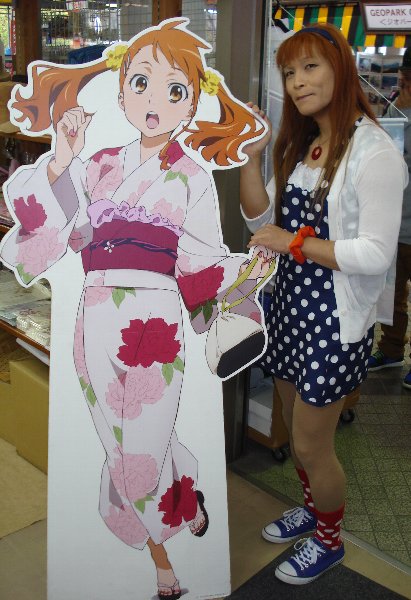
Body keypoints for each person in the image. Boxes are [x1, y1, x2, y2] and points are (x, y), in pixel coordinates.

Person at [0, 19, 267, 600]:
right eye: (141, 83)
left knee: (140, 453)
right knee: (120, 445)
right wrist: (62, 157)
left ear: (191, 105)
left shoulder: (191, 177)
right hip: (94, 318)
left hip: (154, 326)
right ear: (121, 93)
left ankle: (164, 564)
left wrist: (245, 271)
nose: (154, 101)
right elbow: (56, 232)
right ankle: (183, 503)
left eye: (175, 90)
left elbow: (199, 261)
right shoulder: (97, 165)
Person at [239, 23, 407, 585]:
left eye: (310, 67)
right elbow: (259, 222)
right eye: (289, 71)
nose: (297, 81)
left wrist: (292, 242)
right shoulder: (304, 144)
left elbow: (376, 253)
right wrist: (251, 158)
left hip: (335, 323)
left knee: (313, 445)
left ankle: (330, 540)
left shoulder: (374, 152)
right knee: (294, 427)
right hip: (290, 309)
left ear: (342, 70)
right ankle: (312, 512)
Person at [368, 52, 411, 388]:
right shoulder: (396, 110)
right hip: (396, 223)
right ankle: (392, 349)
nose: (402, 83)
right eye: (403, 78)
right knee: (392, 293)